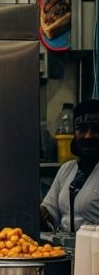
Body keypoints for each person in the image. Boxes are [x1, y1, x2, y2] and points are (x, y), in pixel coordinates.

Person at [41, 99, 99, 233]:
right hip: (66, 252)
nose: (88, 136)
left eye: (96, 129)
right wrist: (39, 213)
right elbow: (51, 214)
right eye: (82, 129)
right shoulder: (67, 169)